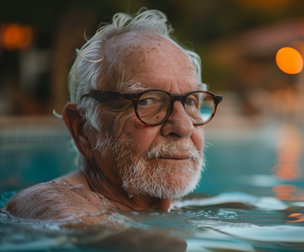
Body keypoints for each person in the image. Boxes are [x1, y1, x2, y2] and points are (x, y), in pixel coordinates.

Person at [4, 9, 222, 223]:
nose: (184, 127)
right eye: (147, 100)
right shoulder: (49, 206)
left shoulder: (182, 206)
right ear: (82, 127)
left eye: (191, 101)